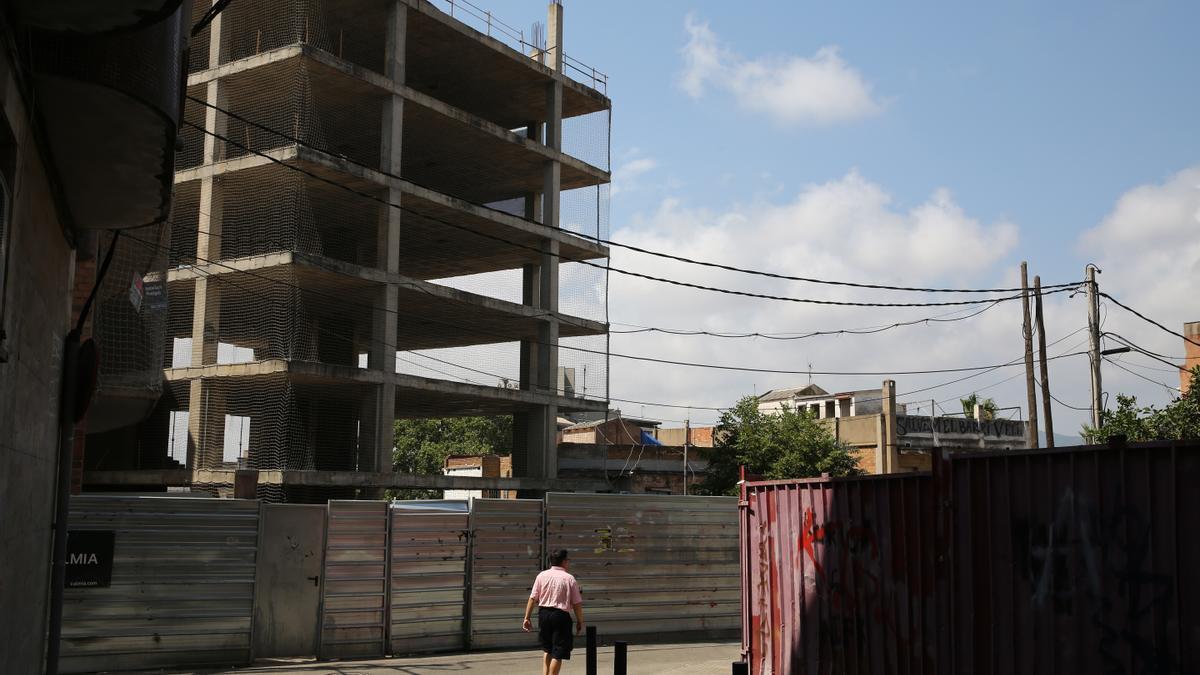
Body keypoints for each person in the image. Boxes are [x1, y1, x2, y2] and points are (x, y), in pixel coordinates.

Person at [522, 548, 585, 675]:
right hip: (560, 616)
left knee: (547, 649)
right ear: (564, 562)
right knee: (558, 652)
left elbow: (533, 598)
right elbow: (577, 604)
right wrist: (580, 621)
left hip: (544, 614)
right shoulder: (569, 579)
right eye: (567, 560)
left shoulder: (541, 576)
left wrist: (526, 618)